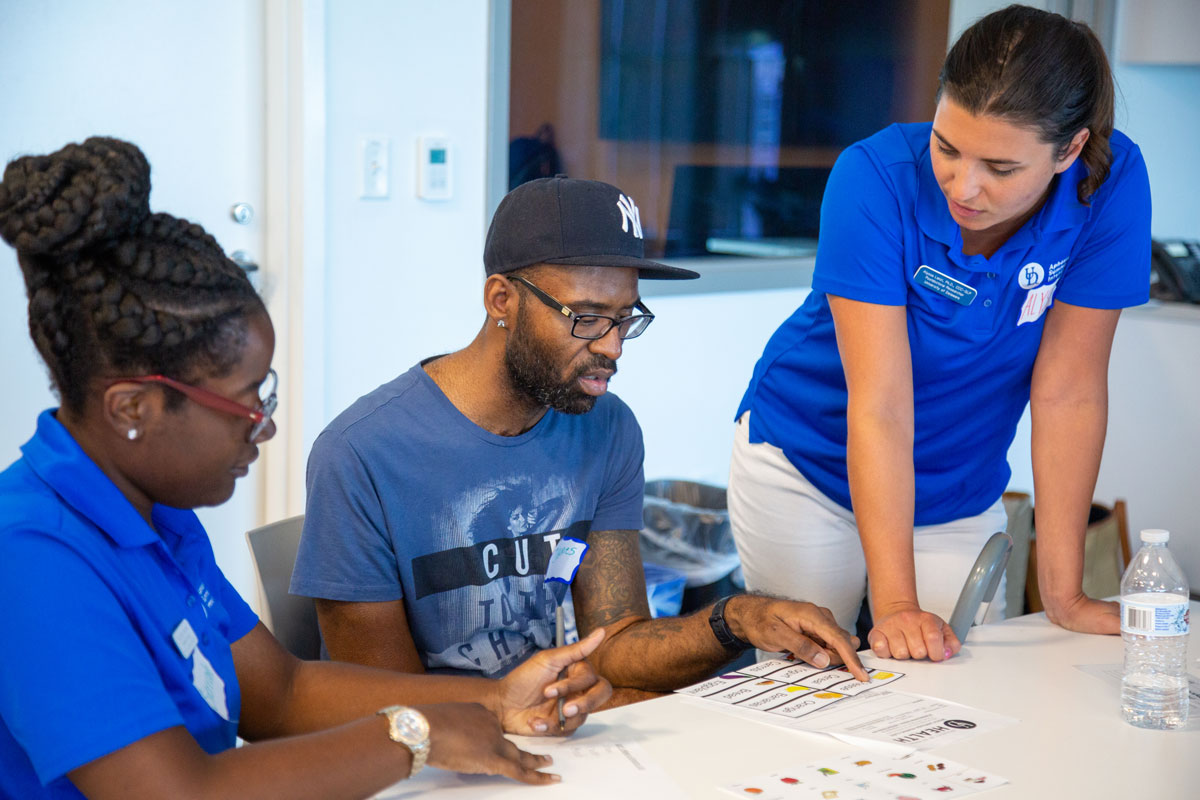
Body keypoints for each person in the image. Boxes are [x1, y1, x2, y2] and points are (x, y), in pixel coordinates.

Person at [0, 137, 614, 800]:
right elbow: (182, 794)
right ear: (134, 407)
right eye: (246, 401)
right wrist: (413, 736)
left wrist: (495, 700)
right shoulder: (31, 556)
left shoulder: (156, 517)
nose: (265, 426)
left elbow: (281, 693)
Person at [290, 175, 868, 699]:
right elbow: (386, 706)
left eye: (625, 318)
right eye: (586, 318)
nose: (613, 347)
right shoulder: (363, 453)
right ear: (502, 301)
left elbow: (617, 643)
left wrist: (736, 619)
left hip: (555, 726)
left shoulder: (606, 427)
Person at [729, 5, 1150, 664]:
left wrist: (1065, 595)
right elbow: (882, 405)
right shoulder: (873, 178)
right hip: (809, 460)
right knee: (811, 677)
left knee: (959, 687)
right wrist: (895, 606)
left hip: (957, 481)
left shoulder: (1110, 183)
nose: (964, 185)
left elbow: (1069, 390)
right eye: (947, 147)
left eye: (1001, 168)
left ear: (1070, 150)